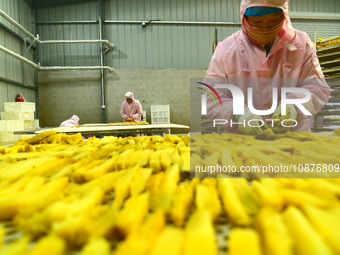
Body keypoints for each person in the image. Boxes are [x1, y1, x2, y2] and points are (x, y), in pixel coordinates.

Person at [203, 0, 330, 135]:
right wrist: (238, 113)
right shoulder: (227, 50)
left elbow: (317, 88)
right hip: (242, 142)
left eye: (273, 21)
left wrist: (293, 104)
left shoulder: (301, 45)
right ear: (244, 17)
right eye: (257, 22)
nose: (265, 28)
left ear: (284, 16)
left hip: (293, 137)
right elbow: (211, 96)